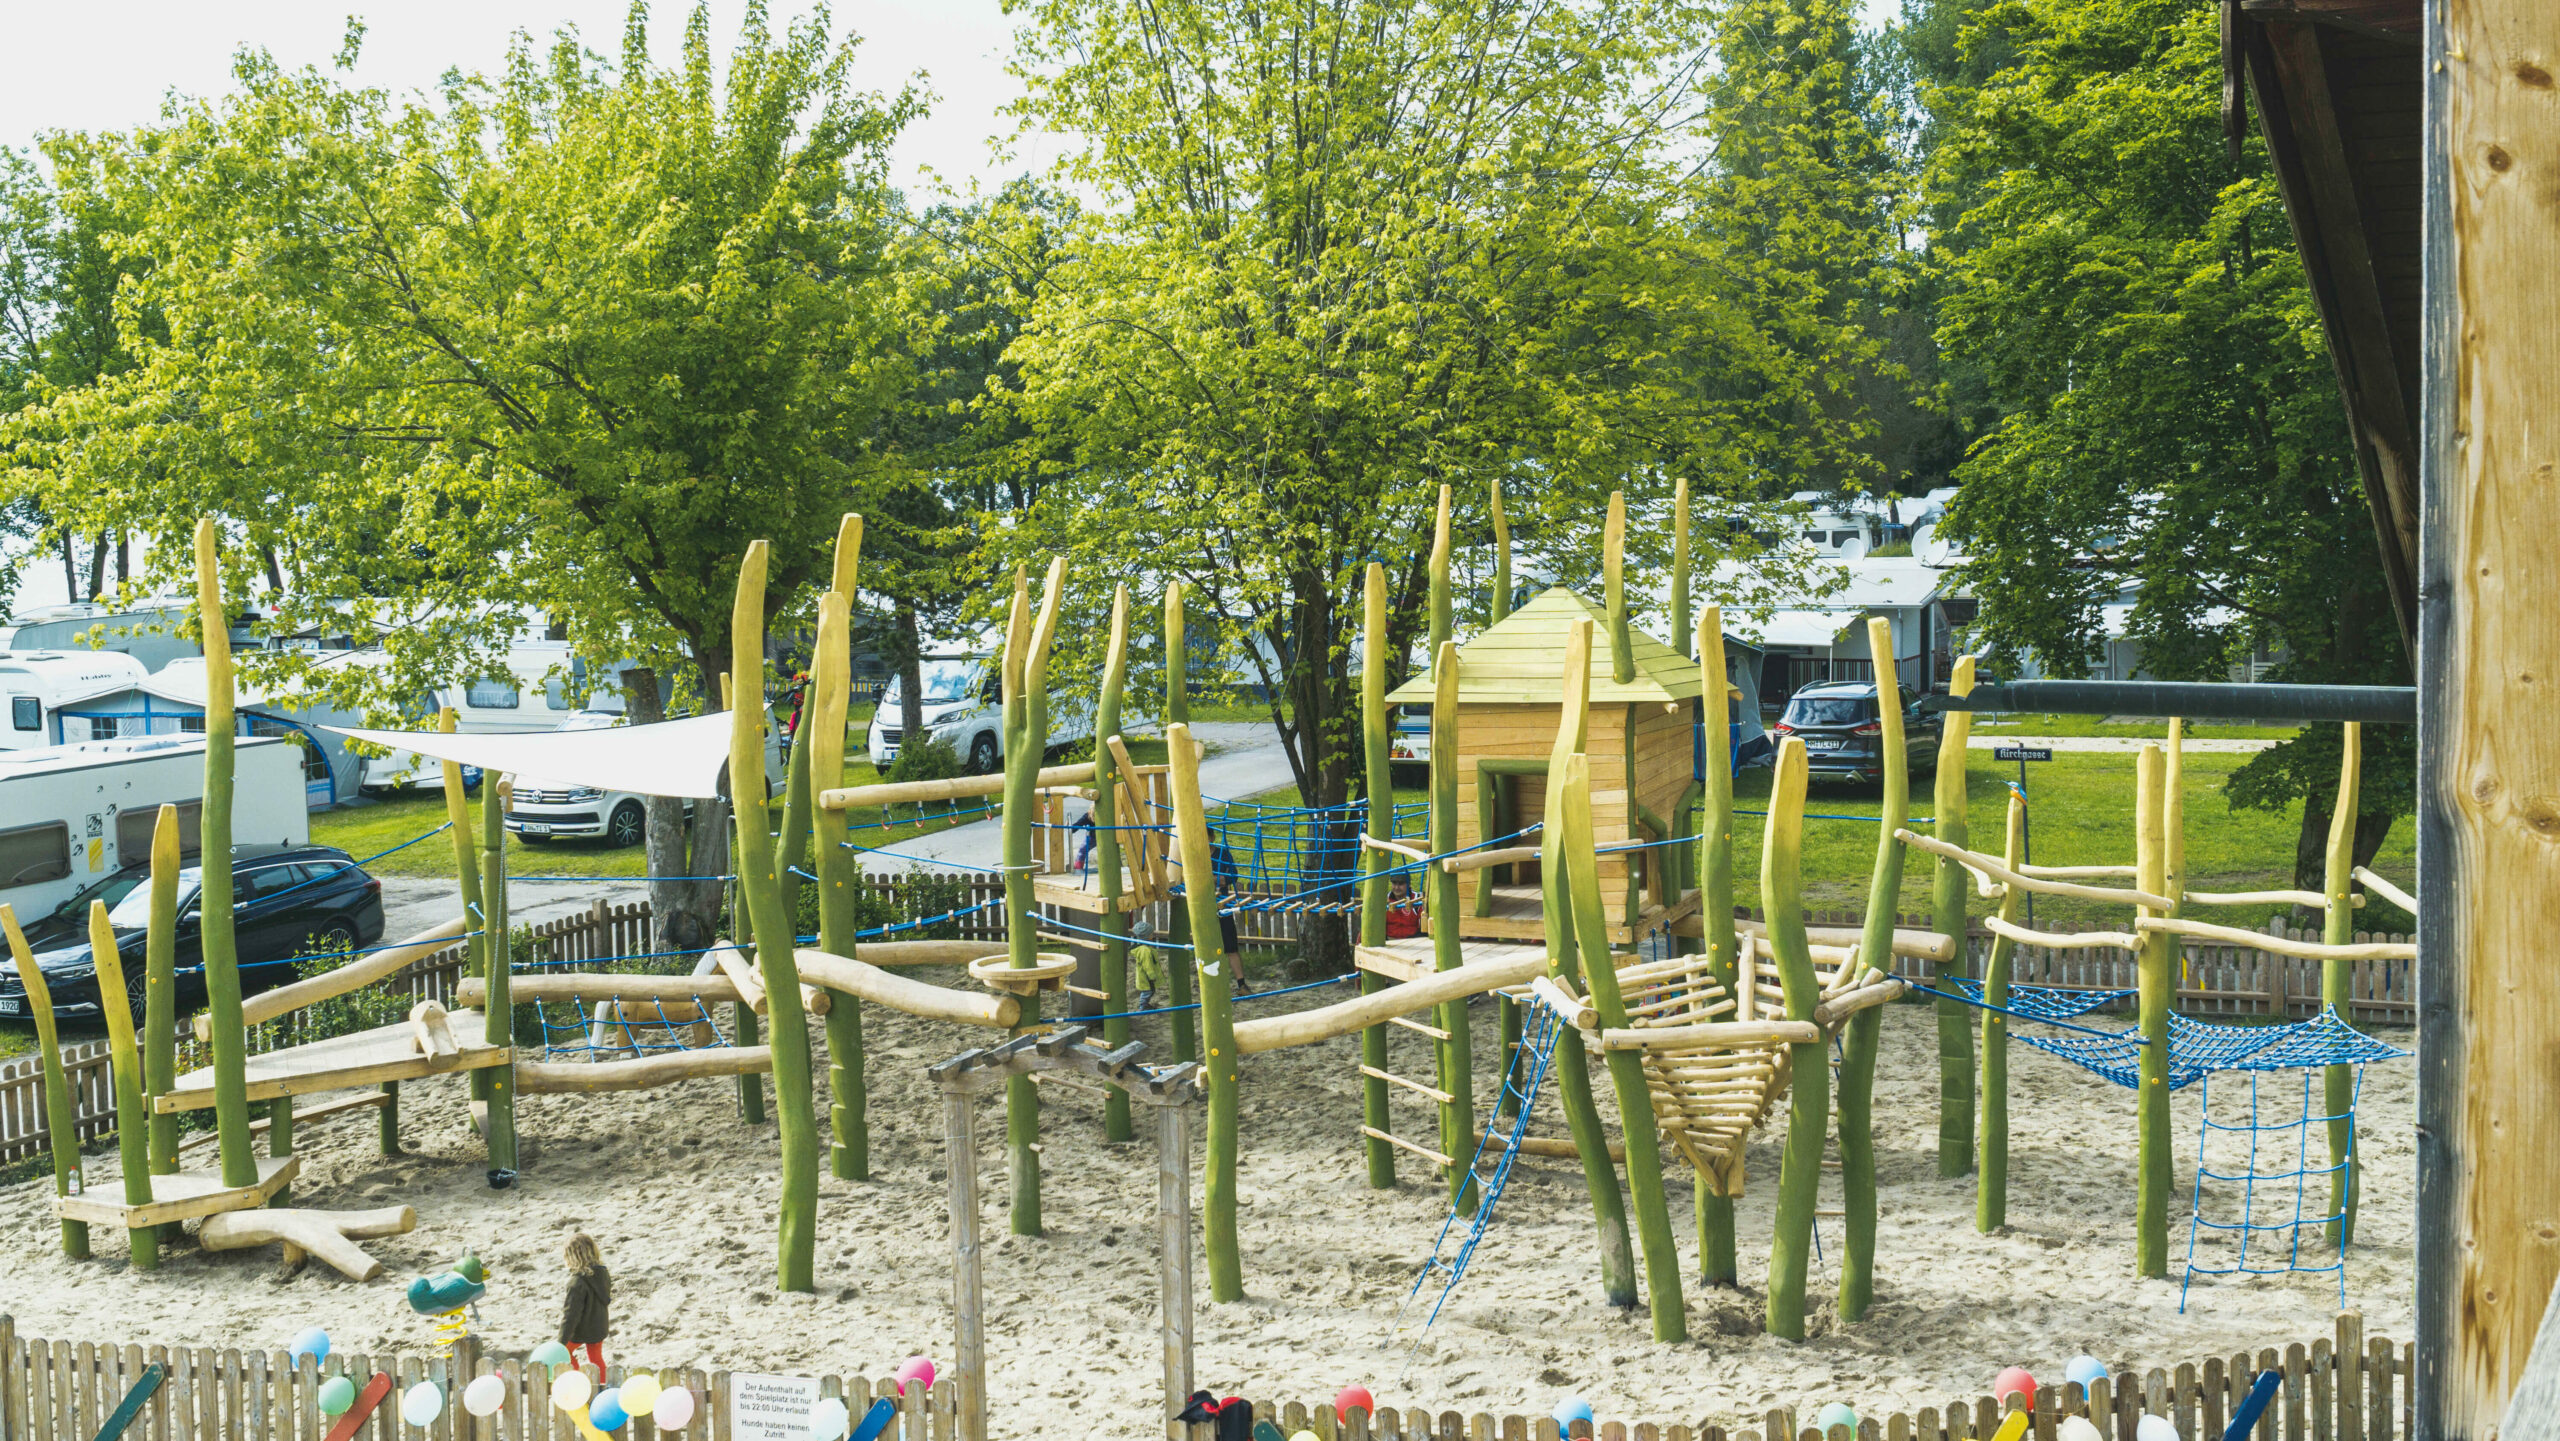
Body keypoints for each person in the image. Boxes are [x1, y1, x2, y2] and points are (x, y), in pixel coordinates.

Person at [559, 1233, 612, 1377]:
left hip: (583, 1329)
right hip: (599, 1326)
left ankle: (576, 1377)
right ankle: (602, 1384)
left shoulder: (576, 1283)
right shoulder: (602, 1273)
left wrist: (561, 1343)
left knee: (565, 1353)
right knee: (596, 1357)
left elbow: (570, 1315)